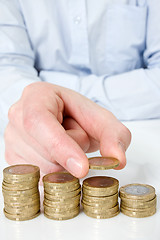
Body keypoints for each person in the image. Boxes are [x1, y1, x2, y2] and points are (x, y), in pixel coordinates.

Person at [1, 0, 160, 178]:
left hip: (147, 147)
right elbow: (6, 69)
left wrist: (59, 95)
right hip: (35, 150)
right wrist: (32, 106)